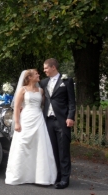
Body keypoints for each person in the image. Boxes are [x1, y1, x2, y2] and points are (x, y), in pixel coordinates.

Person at [5, 69, 57, 186]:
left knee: (39, 146)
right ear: (29, 77)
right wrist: (17, 123)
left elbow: (44, 105)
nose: (39, 75)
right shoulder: (22, 90)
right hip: (25, 119)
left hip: (38, 119)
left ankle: (40, 176)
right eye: (36, 74)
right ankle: (20, 175)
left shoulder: (41, 90)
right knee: (23, 145)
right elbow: (17, 107)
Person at [40, 58, 76, 189]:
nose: (44, 71)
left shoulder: (66, 81)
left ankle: (65, 179)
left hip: (62, 121)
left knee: (63, 150)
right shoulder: (44, 82)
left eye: (45, 68)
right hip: (48, 121)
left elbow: (72, 101)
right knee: (53, 150)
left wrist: (70, 117)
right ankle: (57, 175)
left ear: (53, 67)